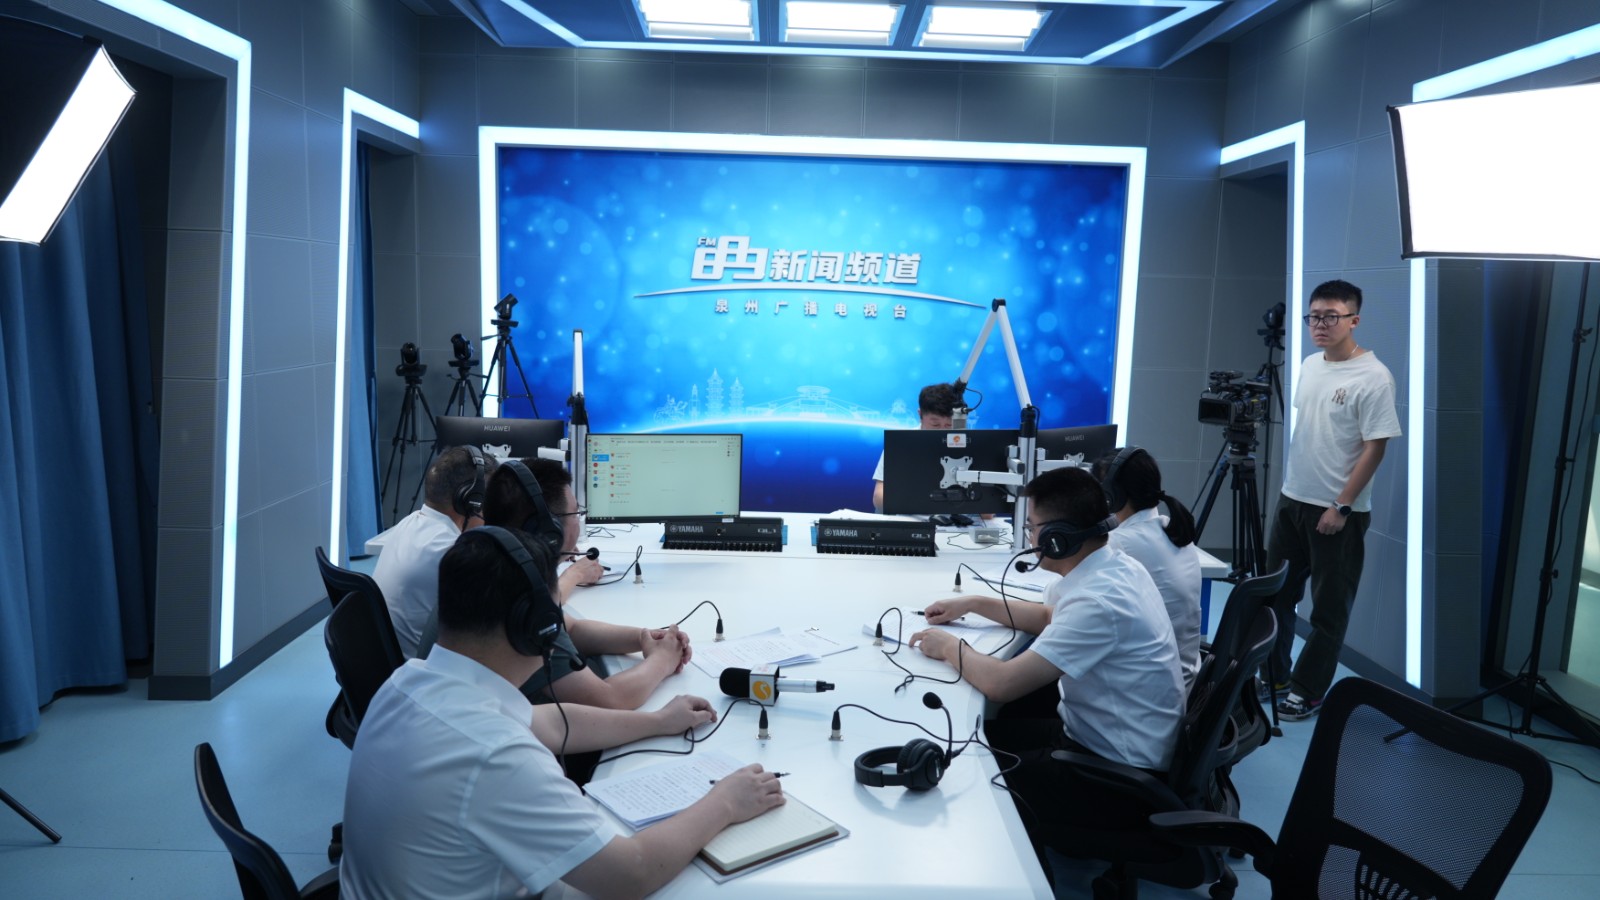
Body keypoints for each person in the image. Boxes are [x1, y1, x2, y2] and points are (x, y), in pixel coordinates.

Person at [339, 526, 783, 899]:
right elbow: (633, 872)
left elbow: (550, 723)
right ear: (536, 628)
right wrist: (726, 801)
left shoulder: (407, 683)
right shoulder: (494, 754)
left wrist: (657, 722)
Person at [908, 467, 1183, 863]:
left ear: (1057, 538)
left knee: (972, 779)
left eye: (1032, 528)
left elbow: (1002, 684)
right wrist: (974, 603)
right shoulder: (1114, 568)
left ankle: (1026, 881)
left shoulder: (1100, 601)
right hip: (1101, 740)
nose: (1029, 538)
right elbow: (1048, 617)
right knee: (977, 740)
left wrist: (950, 647)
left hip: (1117, 779)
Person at [1266, 279, 1402, 720]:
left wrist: (1341, 505)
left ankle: (1307, 690)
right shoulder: (1310, 365)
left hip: (1337, 511)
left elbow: (1375, 447)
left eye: (1331, 317)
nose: (1320, 325)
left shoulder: (1374, 377)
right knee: (1275, 595)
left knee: (1327, 610)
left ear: (1354, 320)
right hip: (1292, 500)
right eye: (1314, 317)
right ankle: (1274, 675)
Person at [473, 457, 693, 710]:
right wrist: (663, 660)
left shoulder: (498, 569)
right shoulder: (519, 597)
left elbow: (573, 629)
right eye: (576, 513)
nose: (579, 520)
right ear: (549, 532)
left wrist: (643, 637)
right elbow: (611, 699)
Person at [1091, 446, 1204, 689]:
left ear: (1111, 495)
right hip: (1181, 679)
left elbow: (1056, 601)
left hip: (1148, 689)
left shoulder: (1119, 543)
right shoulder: (1170, 528)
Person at [371, 445, 497, 658]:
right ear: (470, 502)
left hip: (389, 663)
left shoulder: (409, 523)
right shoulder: (448, 551)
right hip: (421, 669)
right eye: (490, 501)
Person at [872, 382, 959, 512]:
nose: (942, 431)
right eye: (935, 425)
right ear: (920, 415)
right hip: (908, 517)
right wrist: (914, 506)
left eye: (949, 425)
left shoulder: (967, 443)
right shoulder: (901, 443)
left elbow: (986, 512)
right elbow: (878, 497)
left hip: (953, 520)